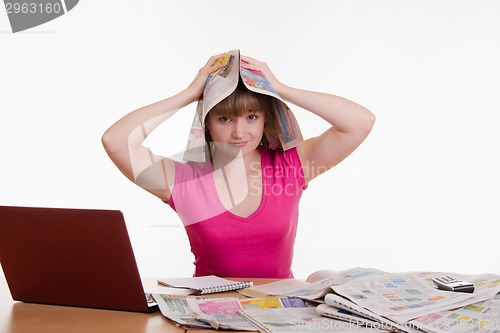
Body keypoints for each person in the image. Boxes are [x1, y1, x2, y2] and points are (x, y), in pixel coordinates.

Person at [101, 52, 375, 278]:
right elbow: (115, 141)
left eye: (251, 117)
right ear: (206, 123)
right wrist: (188, 94)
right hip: (209, 318)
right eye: (225, 119)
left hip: (278, 316)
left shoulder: (290, 167)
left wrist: (280, 89)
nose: (240, 133)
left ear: (265, 118)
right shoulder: (184, 181)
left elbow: (360, 122)